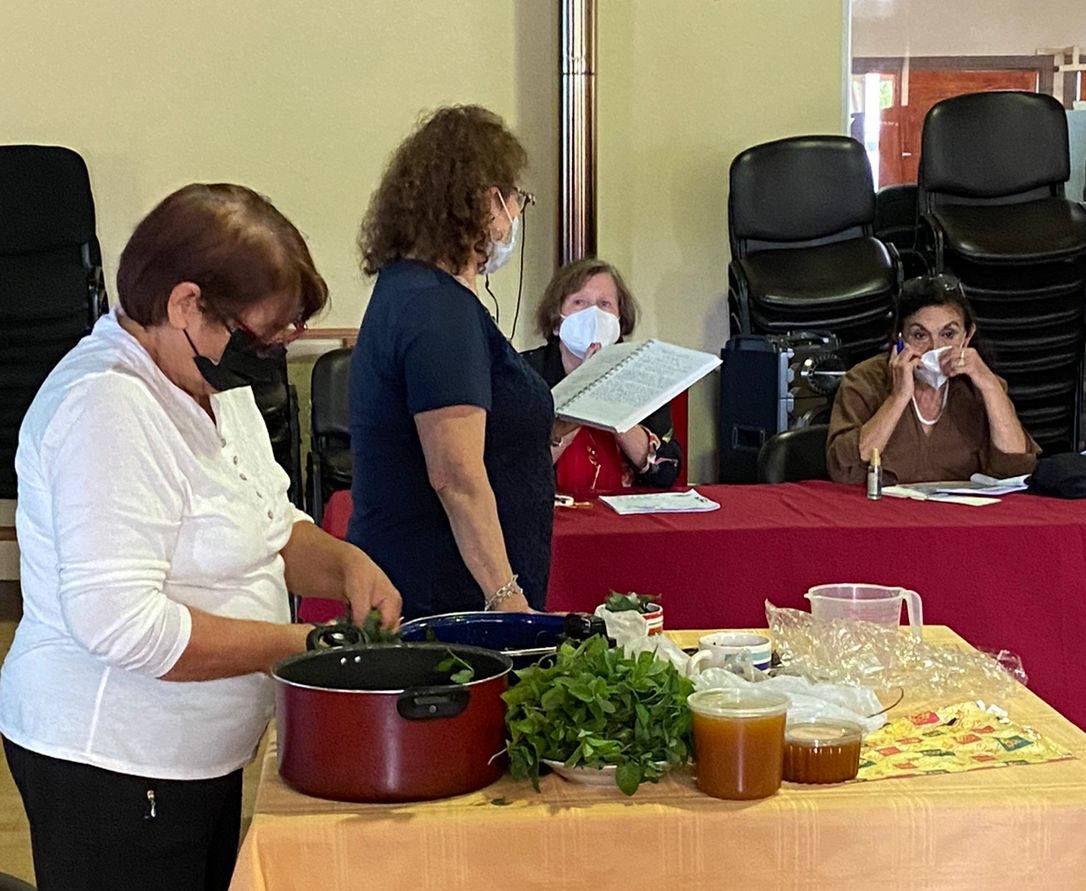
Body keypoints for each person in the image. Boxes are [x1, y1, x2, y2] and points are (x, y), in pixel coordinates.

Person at [0, 183, 401, 891]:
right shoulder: (107, 408)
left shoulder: (207, 385)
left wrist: (345, 566)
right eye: (256, 336)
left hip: (197, 752)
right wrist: (300, 647)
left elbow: (271, 527)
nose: (266, 356)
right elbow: (123, 626)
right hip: (115, 760)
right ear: (185, 304)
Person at [348, 105, 555, 620]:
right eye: (516, 201)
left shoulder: (411, 292)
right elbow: (456, 475)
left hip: (431, 584)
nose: (514, 219)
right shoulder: (437, 309)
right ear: (489, 202)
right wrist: (507, 600)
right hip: (447, 599)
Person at [826, 273, 1040, 485]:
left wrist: (989, 384)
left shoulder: (980, 385)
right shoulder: (864, 380)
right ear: (899, 337)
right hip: (882, 513)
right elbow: (843, 470)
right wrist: (898, 397)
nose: (935, 349)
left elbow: (1017, 469)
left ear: (967, 336)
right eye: (920, 335)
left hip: (961, 515)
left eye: (948, 335)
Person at [521, 258, 683, 494]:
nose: (593, 314)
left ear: (620, 321)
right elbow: (518, 472)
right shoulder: (524, 374)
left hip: (622, 521)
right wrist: (583, 396)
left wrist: (611, 405)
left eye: (604, 304)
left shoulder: (642, 376)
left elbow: (667, 472)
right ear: (557, 323)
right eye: (579, 302)